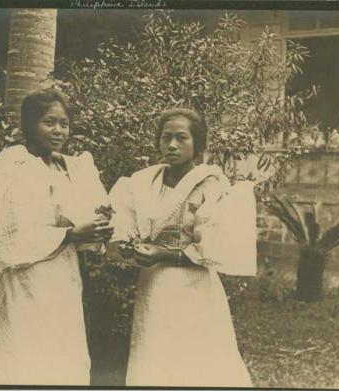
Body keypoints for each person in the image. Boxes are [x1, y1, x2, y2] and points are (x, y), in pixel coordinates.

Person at [0, 89, 113, 385]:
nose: (58, 130)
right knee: (26, 353)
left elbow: (85, 213)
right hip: (28, 276)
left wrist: (99, 225)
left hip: (64, 275)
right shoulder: (16, 166)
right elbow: (9, 229)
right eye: (49, 122)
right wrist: (70, 233)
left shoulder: (71, 168)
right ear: (29, 125)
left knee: (62, 352)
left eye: (64, 123)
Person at [108, 108, 265, 387]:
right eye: (166, 137)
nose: (172, 145)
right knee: (155, 355)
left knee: (195, 359)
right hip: (154, 284)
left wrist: (163, 253)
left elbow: (215, 249)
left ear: (198, 145)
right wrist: (129, 246)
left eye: (181, 138)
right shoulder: (143, 182)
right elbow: (123, 224)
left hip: (194, 286)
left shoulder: (210, 184)